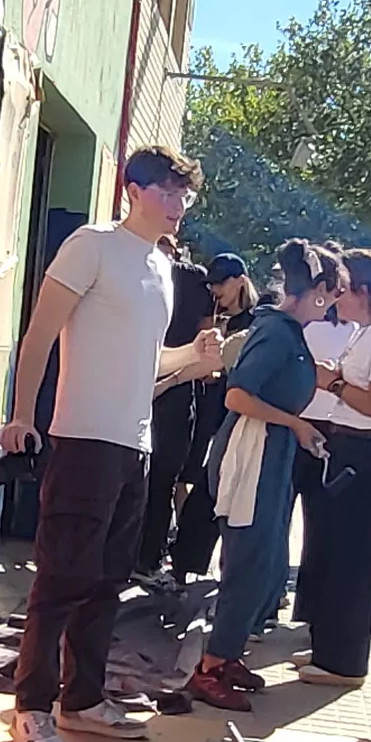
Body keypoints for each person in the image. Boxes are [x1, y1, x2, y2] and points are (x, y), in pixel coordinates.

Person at [0, 146, 223, 742]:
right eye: (167, 192)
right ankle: (32, 707)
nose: (178, 205)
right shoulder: (91, 245)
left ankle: (84, 700)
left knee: (107, 581)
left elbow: (149, 363)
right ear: (134, 190)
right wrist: (21, 415)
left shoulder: (162, 268)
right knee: (61, 577)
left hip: (134, 445)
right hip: (83, 438)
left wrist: (194, 357)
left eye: (185, 195)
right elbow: (39, 334)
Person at [186, 241, 335, 709]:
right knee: (248, 561)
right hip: (250, 454)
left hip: (271, 452)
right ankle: (210, 666)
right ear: (317, 290)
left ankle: (227, 653)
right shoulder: (276, 331)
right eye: (332, 293)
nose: (333, 304)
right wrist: (295, 423)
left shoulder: (287, 331)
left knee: (266, 562)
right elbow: (238, 395)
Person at [293, 250, 371, 688]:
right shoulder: (368, 334)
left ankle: (344, 661)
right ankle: (329, 646)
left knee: (352, 560)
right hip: (349, 448)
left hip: (368, 453)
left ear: (363, 292)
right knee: (333, 553)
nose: (336, 297)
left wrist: (334, 382)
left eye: (343, 288)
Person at [162, 253, 256, 582]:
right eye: (211, 283)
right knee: (190, 480)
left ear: (240, 281)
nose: (215, 290)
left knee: (215, 492)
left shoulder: (254, 321)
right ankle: (184, 561)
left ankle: (194, 563)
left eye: (220, 283)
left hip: (234, 414)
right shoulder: (214, 316)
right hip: (206, 408)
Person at [134, 241, 223, 583]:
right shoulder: (198, 284)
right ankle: (148, 559)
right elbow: (208, 357)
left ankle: (123, 556)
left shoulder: (142, 276)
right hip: (178, 393)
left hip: (137, 385)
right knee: (163, 484)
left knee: (132, 479)